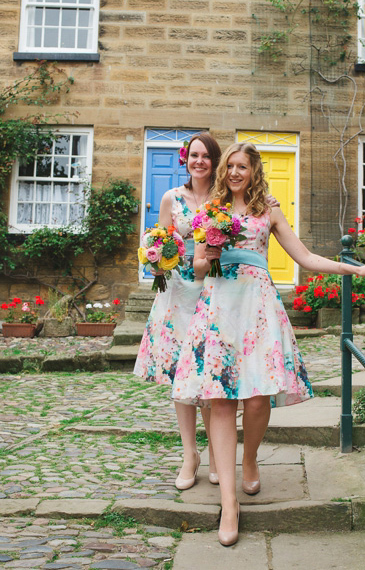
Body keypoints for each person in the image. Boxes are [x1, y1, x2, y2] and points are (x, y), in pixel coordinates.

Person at [171, 142, 365, 547]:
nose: (234, 172)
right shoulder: (210, 209)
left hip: (258, 306)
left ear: (253, 171)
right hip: (218, 305)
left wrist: (356, 268)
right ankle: (229, 504)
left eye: (242, 167)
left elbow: (304, 257)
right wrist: (208, 254)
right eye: (230, 166)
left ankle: (250, 458)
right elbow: (196, 266)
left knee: (257, 400)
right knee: (219, 400)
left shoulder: (267, 208)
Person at [133, 132, 221, 491]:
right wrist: (155, 260)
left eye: (206, 156)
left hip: (215, 288)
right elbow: (159, 237)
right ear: (187, 159)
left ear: (215, 161)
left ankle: (217, 453)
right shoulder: (173, 197)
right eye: (194, 155)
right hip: (178, 292)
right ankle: (190, 455)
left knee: (211, 372)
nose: (199, 161)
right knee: (182, 376)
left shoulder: (224, 198)